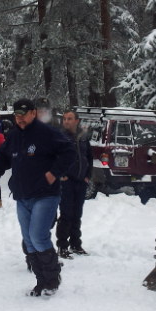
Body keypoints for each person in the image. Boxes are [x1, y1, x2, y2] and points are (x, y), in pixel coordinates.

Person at [0, 98, 75, 297]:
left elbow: (69, 152)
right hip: (22, 196)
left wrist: (53, 173)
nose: (20, 118)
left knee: (38, 236)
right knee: (29, 241)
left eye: (23, 114)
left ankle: (52, 281)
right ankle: (41, 282)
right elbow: (2, 157)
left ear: (33, 113)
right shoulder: (13, 136)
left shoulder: (47, 133)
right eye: (16, 115)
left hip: (45, 195)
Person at [56, 110, 93, 259]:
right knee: (66, 214)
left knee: (77, 214)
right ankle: (62, 246)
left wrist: (87, 176)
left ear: (77, 121)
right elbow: (53, 157)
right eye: (64, 119)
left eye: (69, 119)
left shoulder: (83, 137)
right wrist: (61, 175)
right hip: (66, 182)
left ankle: (75, 244)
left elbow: (89, 157)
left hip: (81, 181)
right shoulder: (59, 137)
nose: (66, 121)